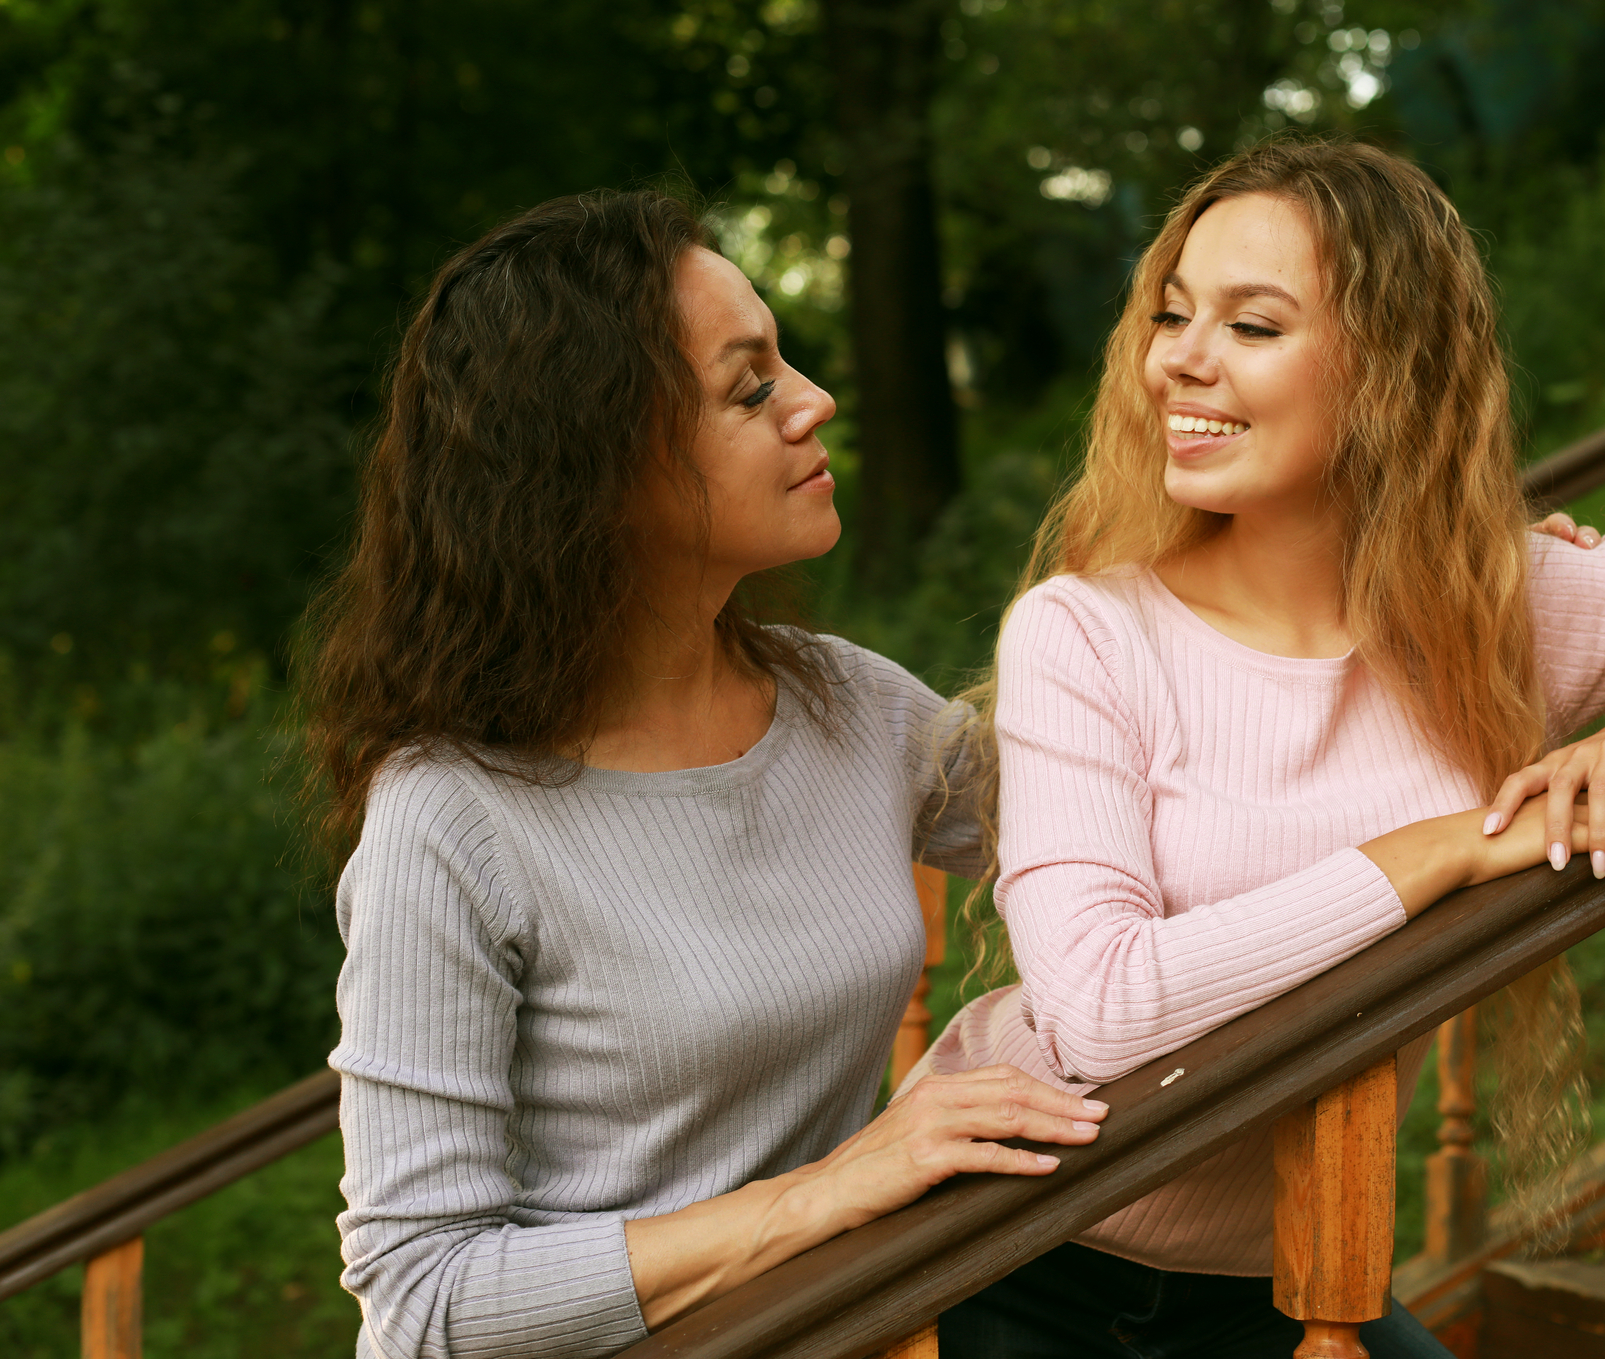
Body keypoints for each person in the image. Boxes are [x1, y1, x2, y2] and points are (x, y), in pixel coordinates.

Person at [921, 138, 1605, 1358]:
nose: (1178, 361)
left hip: (1292, 1267)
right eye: (1169, 314)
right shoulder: (1088, 634)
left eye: (1251, 326)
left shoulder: (1495, 612)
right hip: (1004, 1257)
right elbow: (1100, 1014)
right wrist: (1439, 851)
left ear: (1388, 375)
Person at [300, 190, 1110, 1359]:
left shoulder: (850, 706)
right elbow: (426, 1299)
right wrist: (831, 1187)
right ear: (598, 467)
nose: (815, 401)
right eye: (751, 387)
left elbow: (1124, 837)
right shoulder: (451, 816)